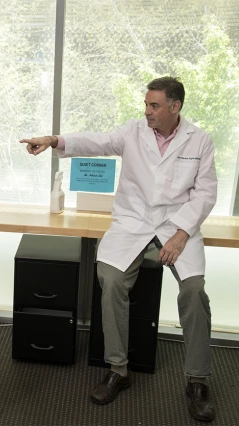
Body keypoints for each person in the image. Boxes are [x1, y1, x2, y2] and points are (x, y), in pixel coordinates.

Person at [20, 77, 217, 422]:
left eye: (154, 105)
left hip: (177, 226)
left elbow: (205, 193)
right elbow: (95, 142)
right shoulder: (133, 132)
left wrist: (182, 233)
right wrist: (53, 140)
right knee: (110, 279)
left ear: (175, 107)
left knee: (194, 290)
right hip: (134, 221)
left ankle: (197, 380)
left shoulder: (199, 141)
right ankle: (118, 369)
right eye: (146, 104)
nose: (147, 111)